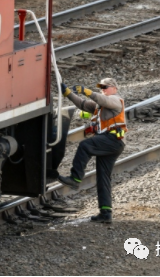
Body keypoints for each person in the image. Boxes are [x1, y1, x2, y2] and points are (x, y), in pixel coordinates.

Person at [58, 78, 127, 223]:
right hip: (110, 143)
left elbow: (104, 100)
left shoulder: (115, 99)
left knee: (85, 146)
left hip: (113, 140)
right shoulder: (99, 106)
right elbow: (82, 104)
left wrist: (87, 91)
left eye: (105, 86)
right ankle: (105, 213)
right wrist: (68, 93)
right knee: (103, 177)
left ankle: (75, 178)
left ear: (114, 88)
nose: (102, 88)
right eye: (101, 86)